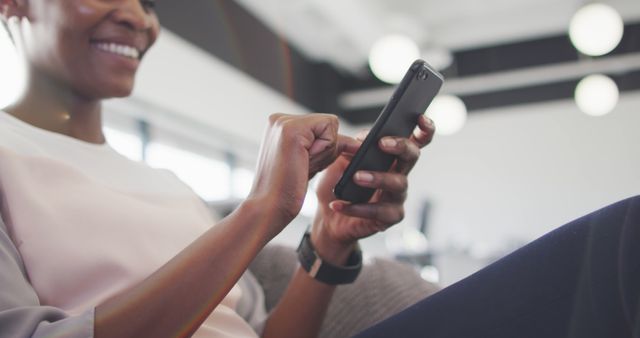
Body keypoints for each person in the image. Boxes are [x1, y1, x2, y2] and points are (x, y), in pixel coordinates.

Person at [0, 1, 637, 338]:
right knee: (620, 245)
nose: (139, 17)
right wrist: (258, 212)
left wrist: (328, 238)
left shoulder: (169, 187)